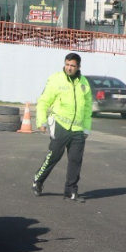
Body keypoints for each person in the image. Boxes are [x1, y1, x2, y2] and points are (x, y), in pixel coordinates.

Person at [32, 52, 94, 203]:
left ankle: (70, 191)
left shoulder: (84, 83)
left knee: (75, 160)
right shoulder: (56, 79)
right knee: (55, 155)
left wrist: (86, 129)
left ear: (78, 67)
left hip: (78, 129)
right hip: (60, 125)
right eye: (67, 64)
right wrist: (41, 122)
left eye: (72, 65)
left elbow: (87, 108)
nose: (69, 68)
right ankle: (38, 180)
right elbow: (43, 102)